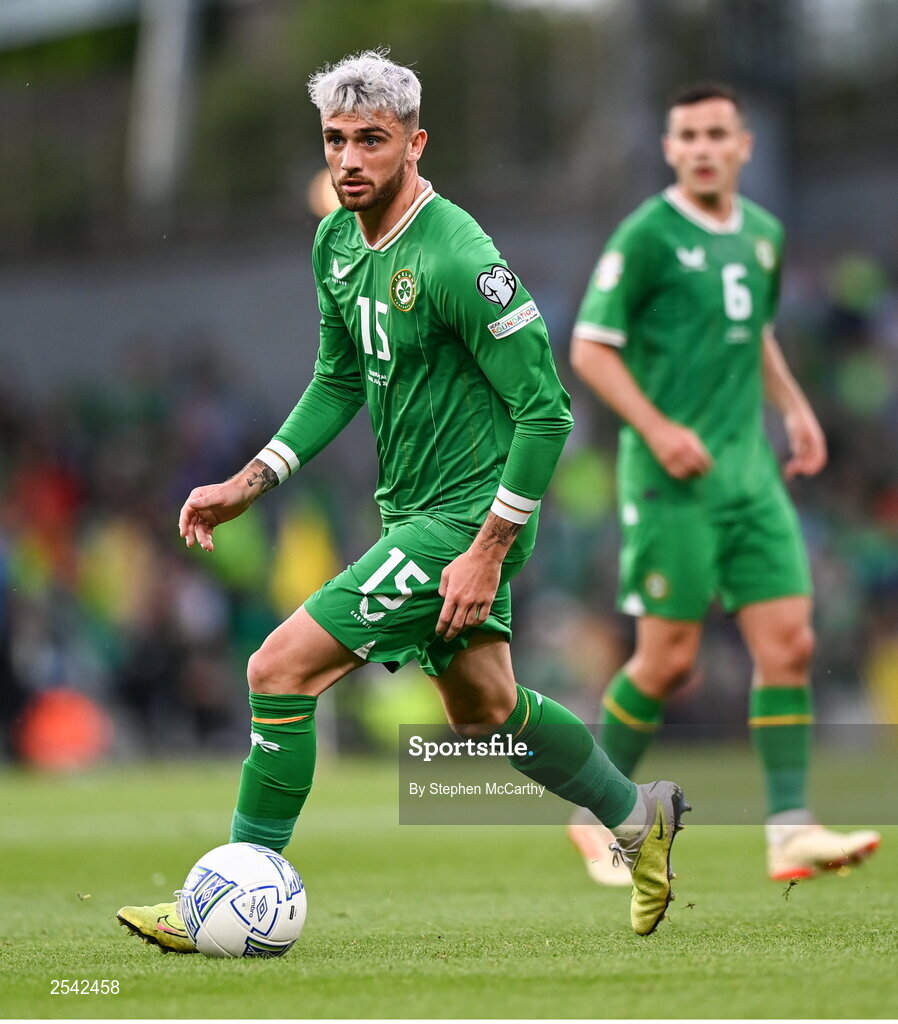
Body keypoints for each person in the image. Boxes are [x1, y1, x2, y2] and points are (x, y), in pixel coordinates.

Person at [117, 50, 689, 947]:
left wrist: (487, 548)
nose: (349, 159)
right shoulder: (336, 241)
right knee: (486, 711)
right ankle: (635, 819)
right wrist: (250, 480)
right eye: (336, 140)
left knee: (277, 671)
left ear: (415, 144)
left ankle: (219, 907)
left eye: (371, 141)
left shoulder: (461, 257)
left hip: (467, 519)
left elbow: (545, 411)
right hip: (414, 513)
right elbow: (339, 379)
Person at [567, 82, 879, 887]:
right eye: (688, 136)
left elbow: (755, 334)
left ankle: (789, 831)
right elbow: (592, 348)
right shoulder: (646, 237)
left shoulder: (765, 236)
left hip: (748, 473)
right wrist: (660, 429)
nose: (703, 147)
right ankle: (594, 814)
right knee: (666, 661)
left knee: (793, 645)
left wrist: (797, 407)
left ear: (743, 145)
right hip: (671, 480)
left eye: (717, 134)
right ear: (670, 150)